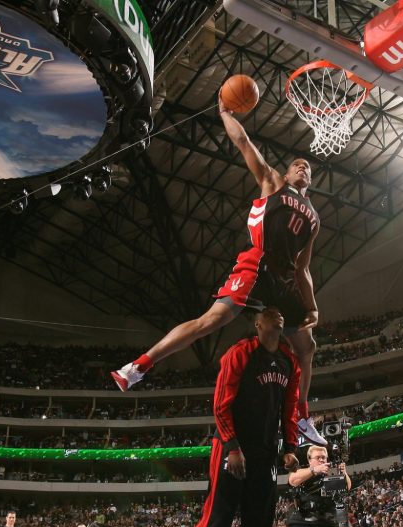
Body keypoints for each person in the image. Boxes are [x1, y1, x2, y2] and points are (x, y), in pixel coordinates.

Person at [112, 93, 326, 447]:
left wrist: (312, 304)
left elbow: (303, 268)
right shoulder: (273, 183)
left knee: (307, 347)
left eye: (309, 168)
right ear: (288, 172)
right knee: (209, 322)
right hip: (256, 263)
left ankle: (301, 417)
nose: (303, 168)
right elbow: (243, 142)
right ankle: (137, 367)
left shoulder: (315, 219)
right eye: (298, 164)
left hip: (283, 280)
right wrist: (225, 112)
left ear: (311, 181)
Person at [173, 306, 301, 527]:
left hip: (265, 454)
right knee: (218, 520)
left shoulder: (289, 359)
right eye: (270, 314)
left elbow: (290, 408)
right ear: (258, 323)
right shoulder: (240, 353)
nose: (278, 316)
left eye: (279, 313)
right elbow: (220, 404)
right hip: (232, 450)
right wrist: (232, 447)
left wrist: (289, 446)